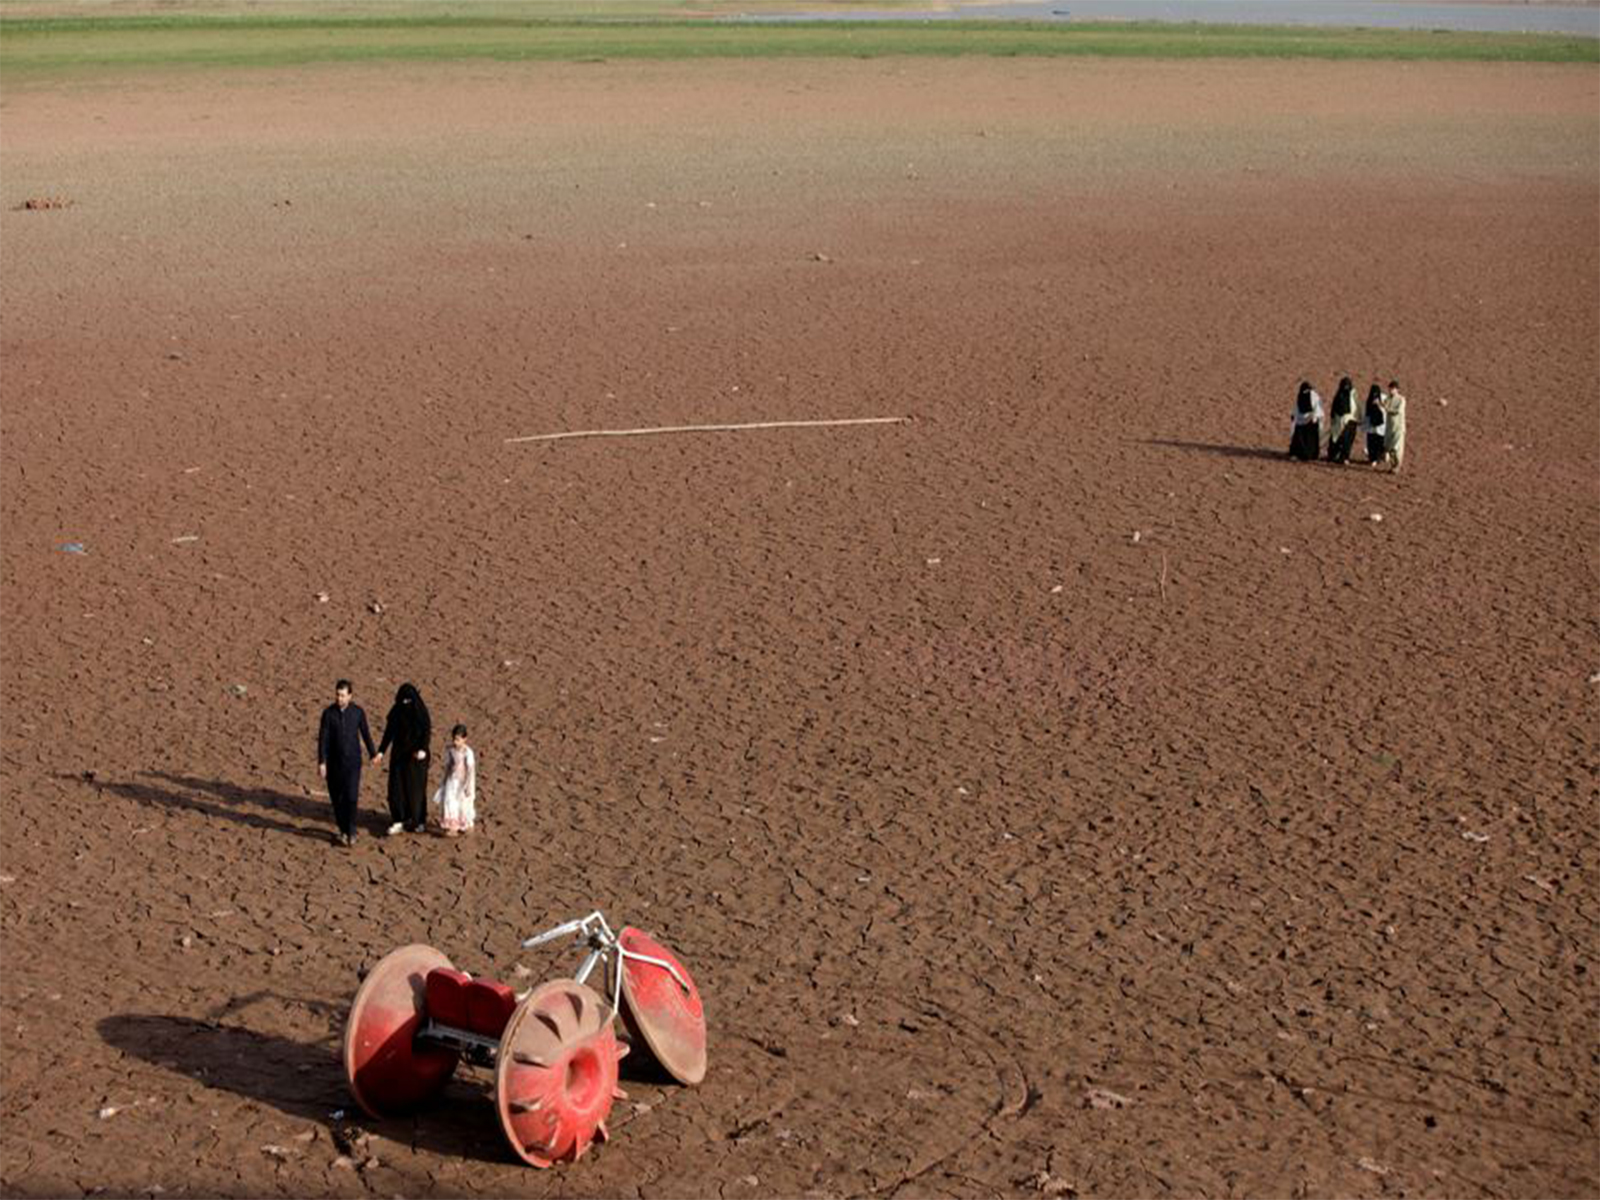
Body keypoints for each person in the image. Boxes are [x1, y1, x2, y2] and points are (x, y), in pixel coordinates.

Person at [317, 679, 376, 848]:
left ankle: (351, 830)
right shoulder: (328, 714)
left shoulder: (357, 712)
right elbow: (323, 739)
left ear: (350, 696)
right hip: (334, 764)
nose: (339, 698)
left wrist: (373, 753)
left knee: (351, 797)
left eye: (343, 695)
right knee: (337, 799)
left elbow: (366, 734)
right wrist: (322, 762)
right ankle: (343, 829)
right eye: (337, 695)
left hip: (353, 763)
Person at [377, 682, 431, 835]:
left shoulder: (421, 713)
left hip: (416, 758)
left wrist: (422, 749)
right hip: (399, 756)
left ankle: (418, 820)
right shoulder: (396, 712)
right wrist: (381, 751)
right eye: (403, 701)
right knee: (396, 788)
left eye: (409, 701)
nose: (406, 704)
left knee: (416, 790)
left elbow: (426, 732)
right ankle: (398, 819)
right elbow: (389, 733)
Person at [430, 724, 477, 836]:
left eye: (458, 739)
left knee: (463, 803)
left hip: (463, 782)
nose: (455, 742)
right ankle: (452, 827)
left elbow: (470, 770)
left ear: (465, 739)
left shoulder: (468, 752)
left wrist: (468, 786)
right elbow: (448, 766)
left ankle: (465, 824)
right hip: (452, 781)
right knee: (450, 802)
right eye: (454, 739)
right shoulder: (450, 750)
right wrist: (444, 782)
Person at [1325, 376, 1359, 465]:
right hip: (1338, 421)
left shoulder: (1353, 395)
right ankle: (1332, 456)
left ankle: (1344, 457)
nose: (1346, 388)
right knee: (1335, 439)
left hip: (1351, 421)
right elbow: (1334, 408)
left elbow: (1357, 407)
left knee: (1347, 441)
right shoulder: (1338, 395)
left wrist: (1358, 418)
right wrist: (1333, 419)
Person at [1287, 380, 1323, 461]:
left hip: (1310, 420)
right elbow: (1296, 408)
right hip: (1301, 421)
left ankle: (1310, 455)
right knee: (1299, 439)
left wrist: (1315, 417)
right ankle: (1299, 454)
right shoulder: (1301, 395)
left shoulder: (1314, 396)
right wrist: (1294, 416)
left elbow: (1317, 407)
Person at [1383, 379, 1408, 474]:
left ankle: (1397, 466)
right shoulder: (1388, 399)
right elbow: (1384, 407)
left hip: (1399, 428)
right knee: (1389, 448)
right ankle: (1393, 466)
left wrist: (1386, 408)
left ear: (1397, 389)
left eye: (1393, 389)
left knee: (1396, 448)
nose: (1391, 390)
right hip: (1389, 427)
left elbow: (1397, 411)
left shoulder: (1401, 400)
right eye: (1390, 389)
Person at [1362, 382, 1388, 467]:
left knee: (1380, 443)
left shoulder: (1384, 398)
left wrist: (1379, 405)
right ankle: (1372, 459)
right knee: (1371, 444)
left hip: (1381, 427)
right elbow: (1366, 414)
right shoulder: (1368, 401)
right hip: (1371, 427)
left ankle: (1378, 458)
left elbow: (1386, 411)